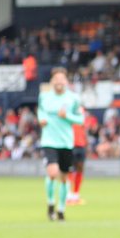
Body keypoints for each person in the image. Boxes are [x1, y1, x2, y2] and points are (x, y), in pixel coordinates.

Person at [37, 67, 84, 222]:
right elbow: (40, 111)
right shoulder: (44, 97)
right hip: (49, 141)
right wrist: (41, 119)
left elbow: (81, 119)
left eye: (61, 79)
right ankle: (51, 203)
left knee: (64, 178)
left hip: (66, 142)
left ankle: (61, 209)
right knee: (52, 173)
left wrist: (67, 116)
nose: (59, 82)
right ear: (52, 81)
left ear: (66, 81)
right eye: (56, 79)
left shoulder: (73, 98)